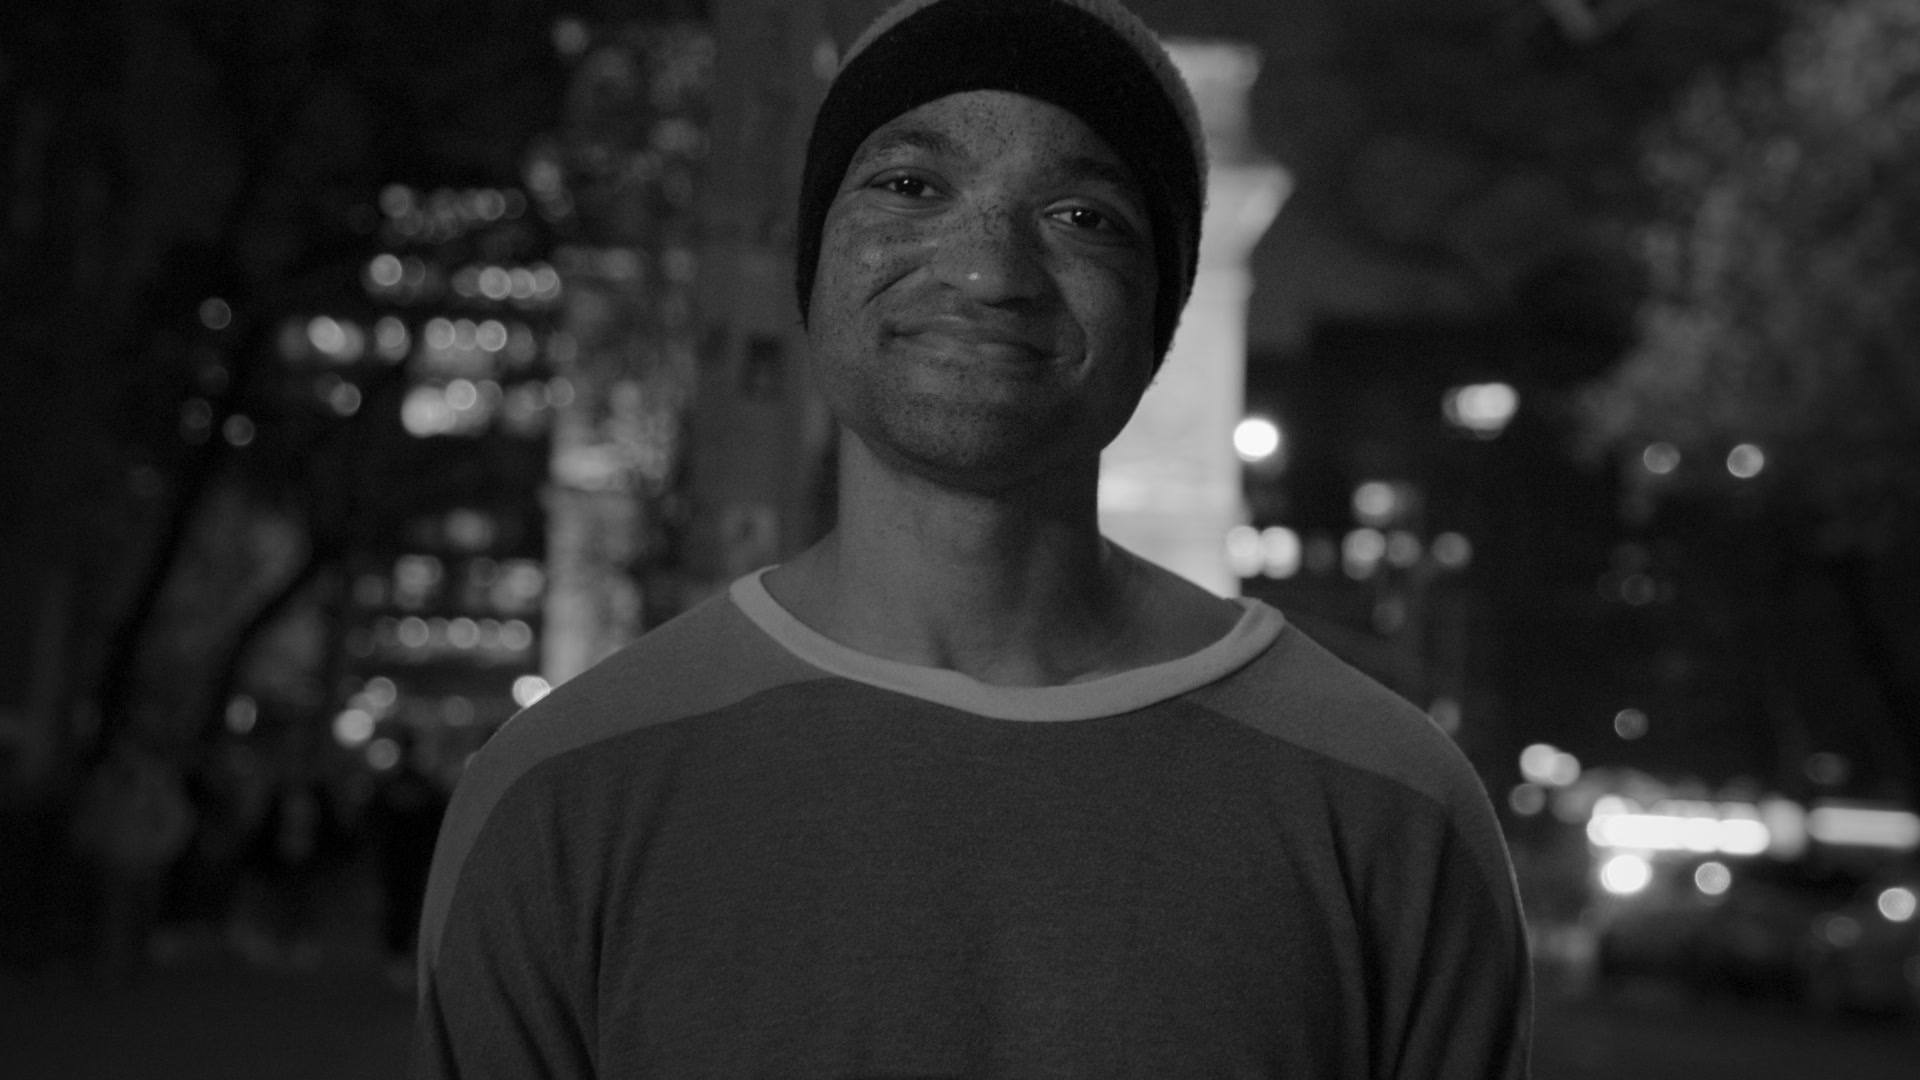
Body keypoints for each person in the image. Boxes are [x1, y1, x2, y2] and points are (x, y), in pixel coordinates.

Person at [411, 1, 1532, 1076]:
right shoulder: (556, 797)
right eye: (910, 186)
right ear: (812, 258)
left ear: (1161, 313)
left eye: (1083, 217)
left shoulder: (1396, 817)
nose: (988, 270)